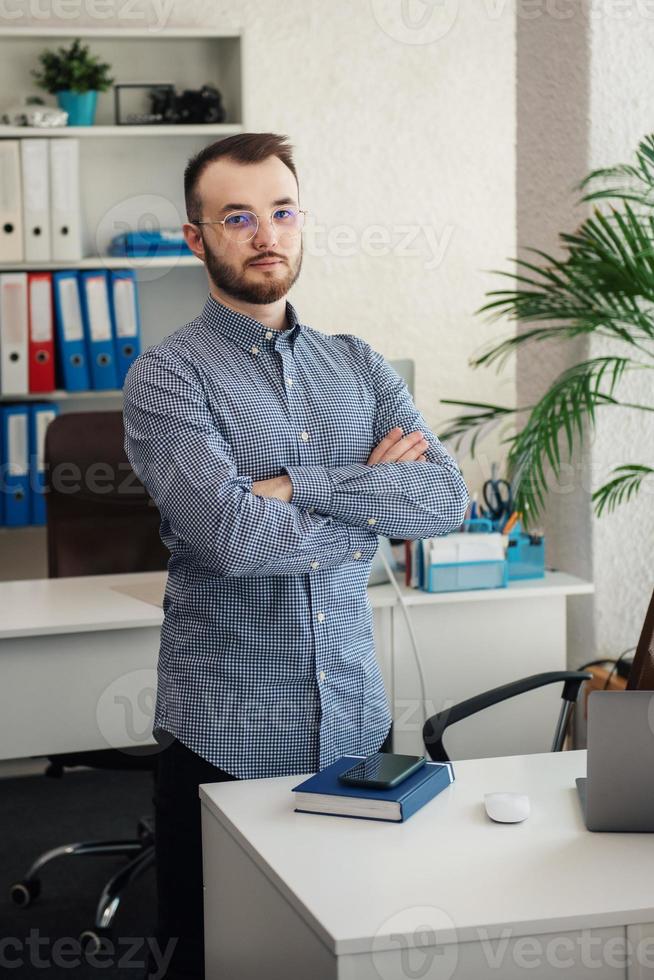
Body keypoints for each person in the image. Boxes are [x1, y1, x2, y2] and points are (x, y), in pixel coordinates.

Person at [123, 131, 468, 979]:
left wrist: (291, 483)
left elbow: (445, 500)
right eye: (237, 217)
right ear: (196, 238)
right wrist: (364, 501)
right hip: (227, 732)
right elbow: (234, 539)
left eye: (281, 212)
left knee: (348, 945)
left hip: (355, 718)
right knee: (216, 957)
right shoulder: (168, 378)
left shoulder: (358, 365)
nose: (265, 233)